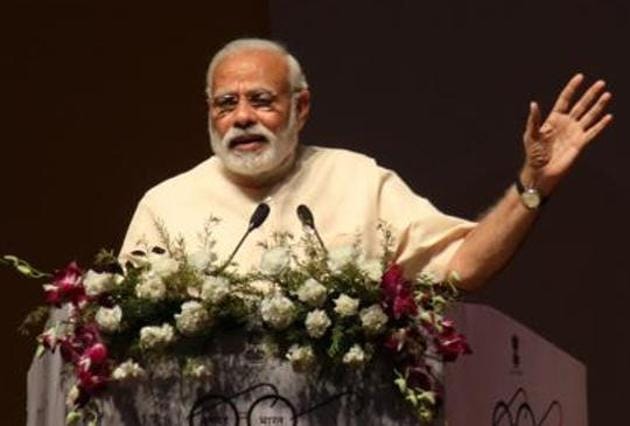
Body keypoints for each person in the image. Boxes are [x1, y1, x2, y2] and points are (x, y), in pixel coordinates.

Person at [120, 38, 613, 292]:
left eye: (262, 100)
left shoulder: (358, 181)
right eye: (225, 103)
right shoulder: (166, 204)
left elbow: (462, 267)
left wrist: (533, 183)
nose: (242, 117)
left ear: (302, 107)